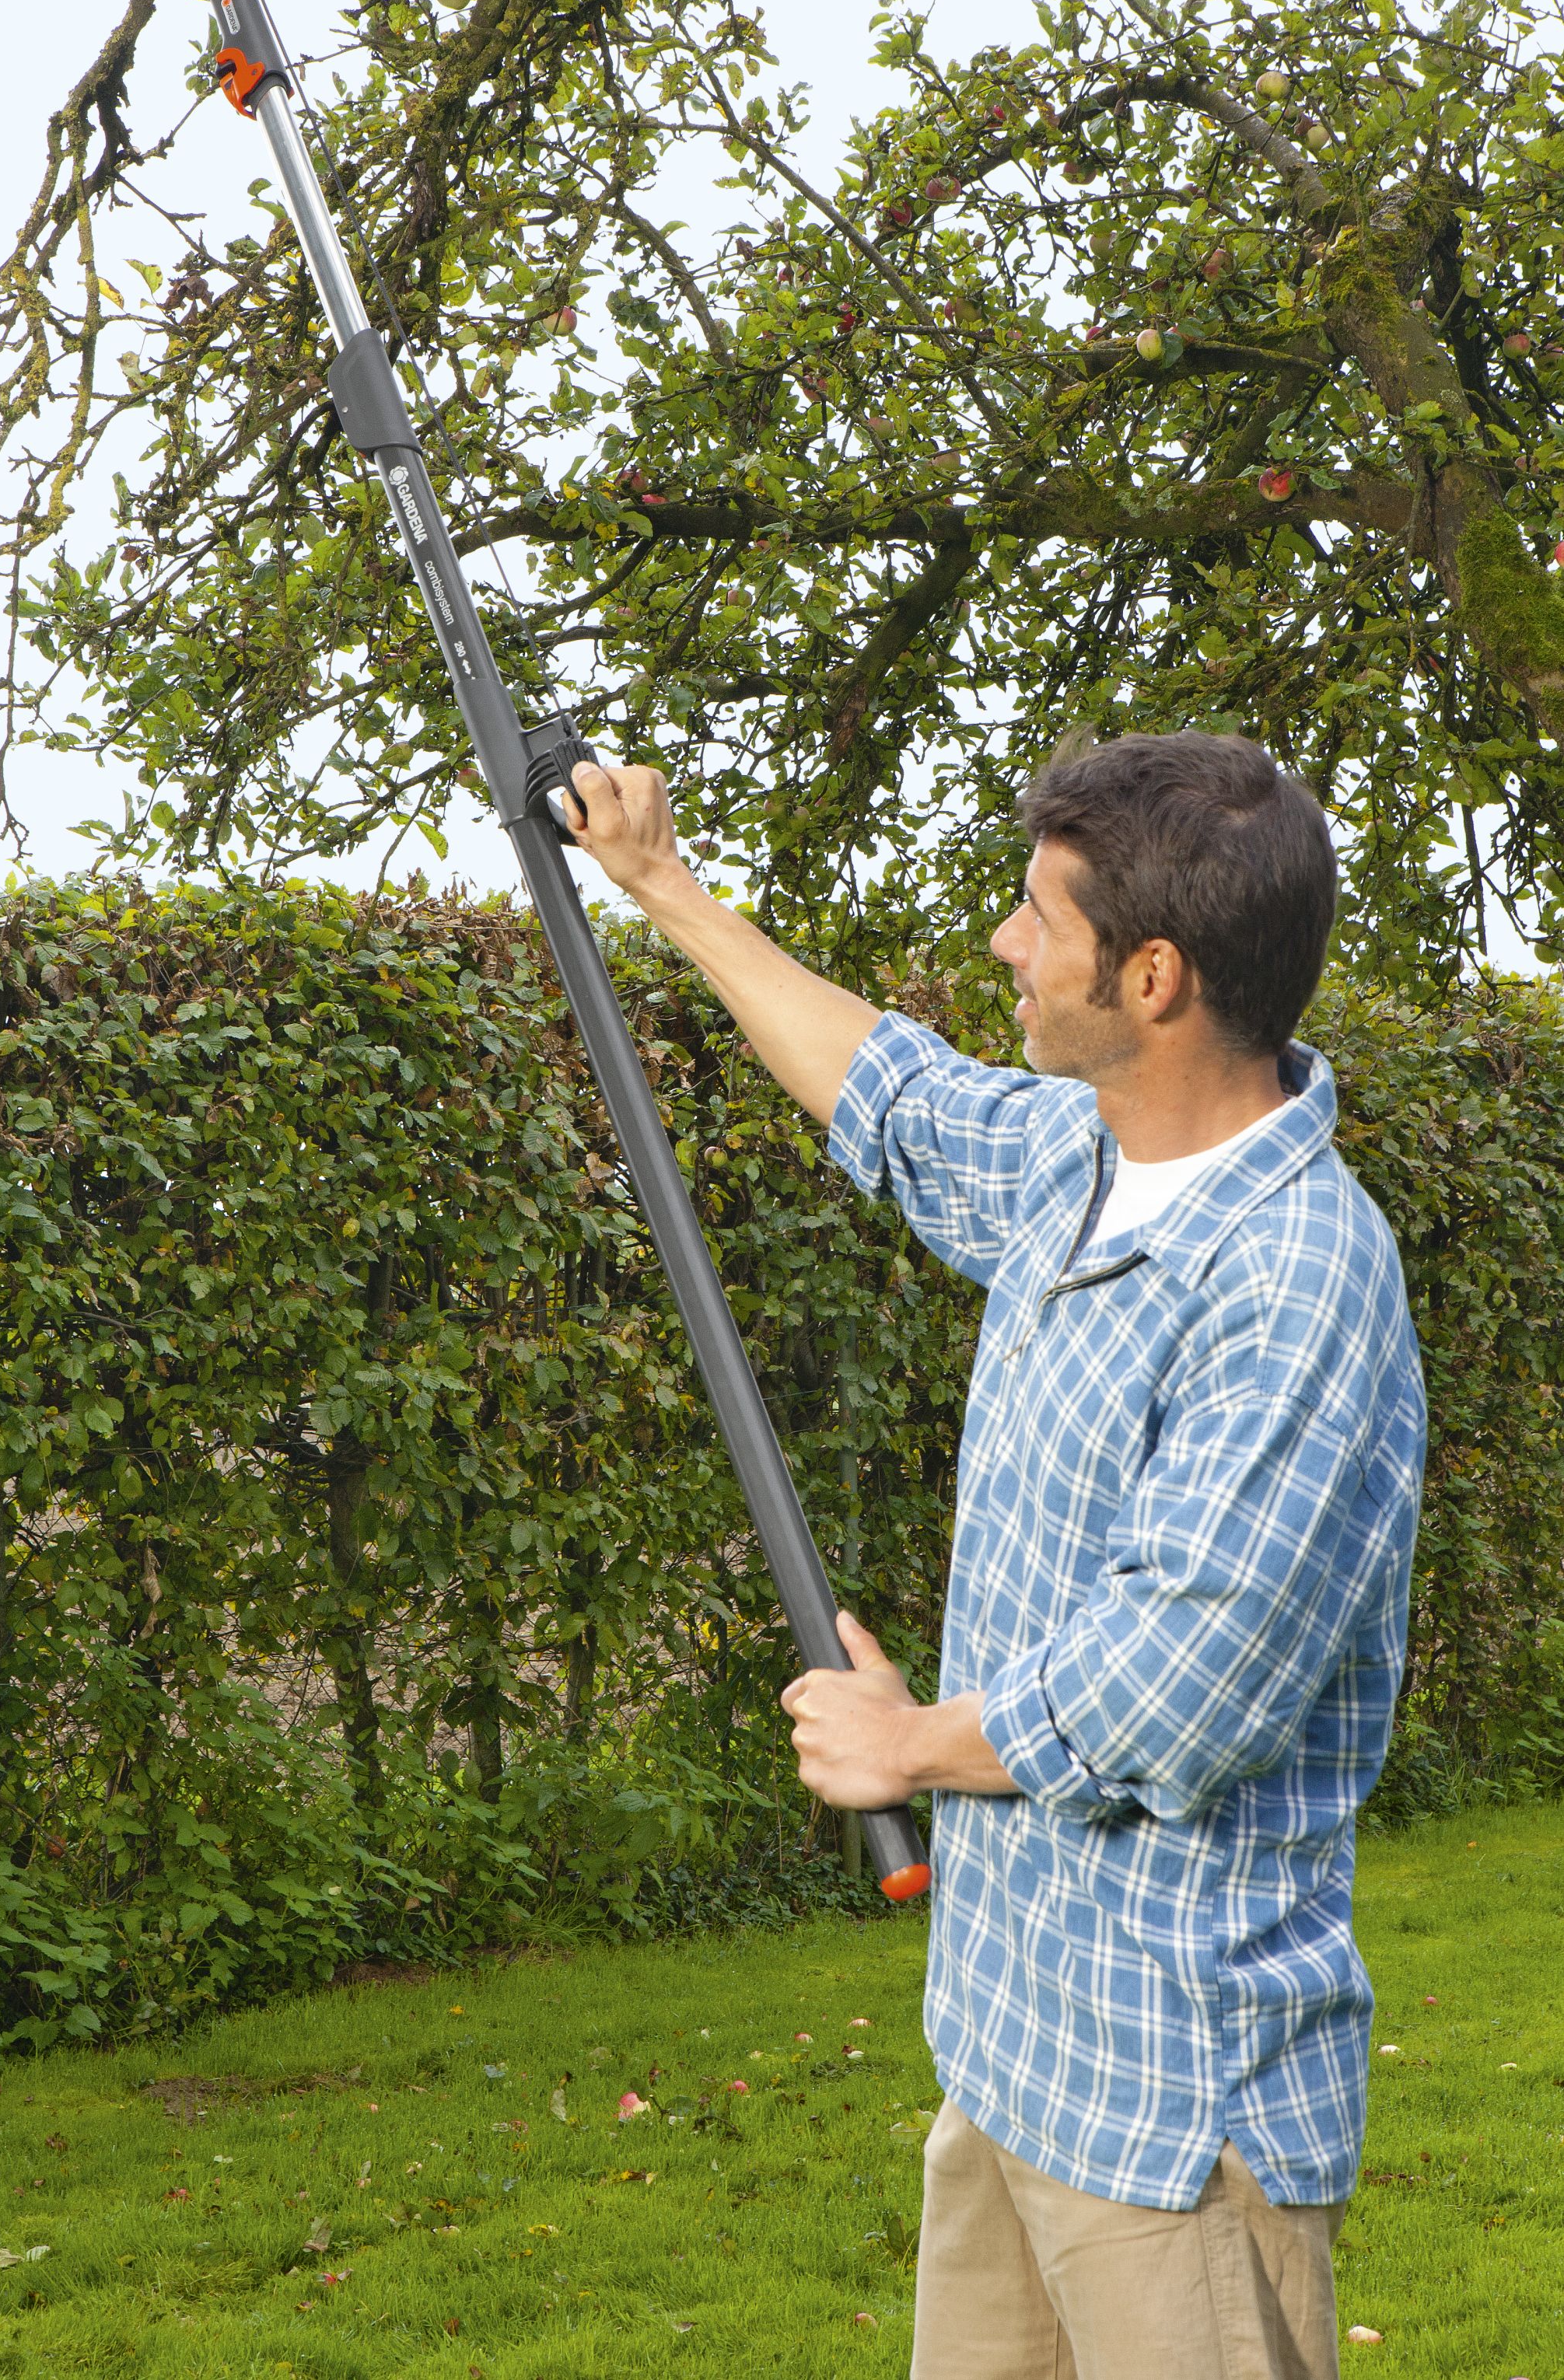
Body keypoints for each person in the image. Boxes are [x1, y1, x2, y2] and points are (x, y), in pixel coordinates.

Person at [564, 729, 1425, 2380]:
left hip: (1178, 2115)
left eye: (1040, 916)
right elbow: (889, 1087)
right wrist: (660, 885)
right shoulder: (1079, 1161)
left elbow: (1176, 1683)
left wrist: (908, 1745)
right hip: (1015, 2049)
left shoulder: (1298, 1276)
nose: (1005, 947)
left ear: (1154, 975)